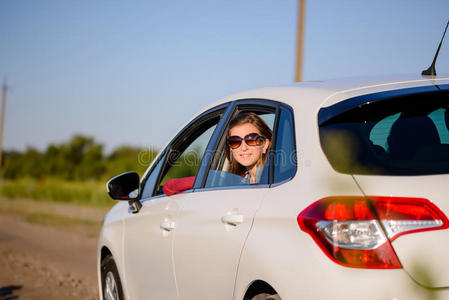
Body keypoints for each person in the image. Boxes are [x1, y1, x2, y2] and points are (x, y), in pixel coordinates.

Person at [163, 112, 272, 195]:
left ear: (265, 144)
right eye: (235, 141)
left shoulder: (274, 177)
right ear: (230, 148)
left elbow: (169, 187)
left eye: (251, 139)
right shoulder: (236, 181)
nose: (243, 147)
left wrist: (212, 179)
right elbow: (169, 187)